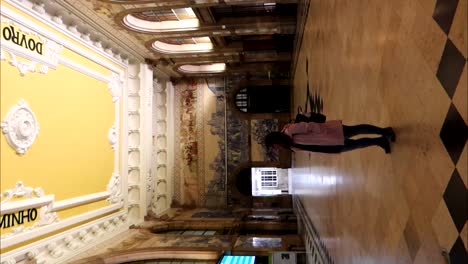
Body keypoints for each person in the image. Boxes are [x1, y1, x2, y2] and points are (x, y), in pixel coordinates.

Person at [264, 120, 395, 154]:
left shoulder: (290, 131)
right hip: (330, 147)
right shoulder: (290, 146)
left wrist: (324, 133)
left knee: (357, 130)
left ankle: (384, 131)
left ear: (276, 140)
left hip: (330, 133)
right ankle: (380, 141)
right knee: (358, 144)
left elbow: (310, 125)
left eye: (273, 145)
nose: (276, 148)